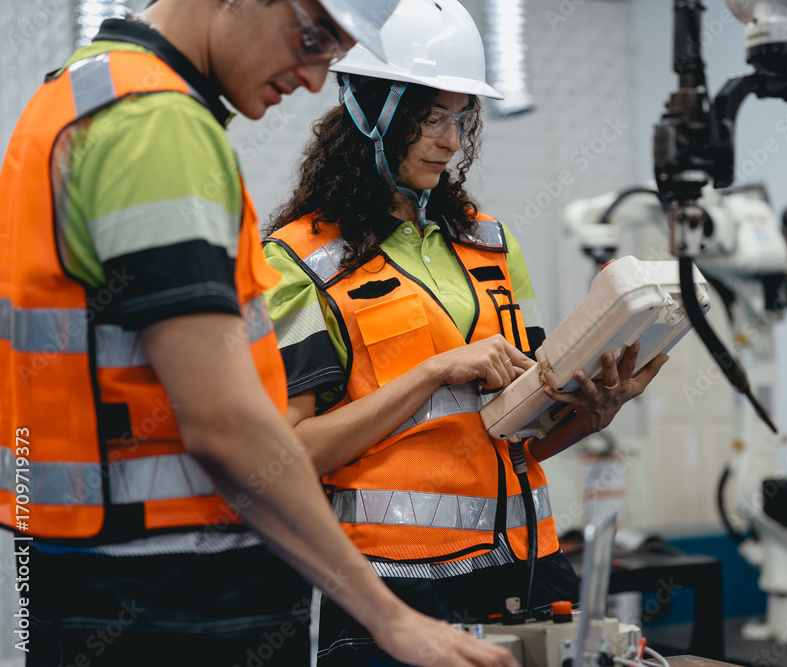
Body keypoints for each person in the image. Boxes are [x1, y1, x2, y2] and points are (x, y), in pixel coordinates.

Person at [0, 1, 518, 665]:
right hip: (175, 595)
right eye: (311, 35)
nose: (311, 77)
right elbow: (224, 422)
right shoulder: (157, 125)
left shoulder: (73, 94)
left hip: (90, 571)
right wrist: (391, 617)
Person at [263, 0, 669, 662]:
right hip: (393, 589)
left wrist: (591, 415)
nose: (450, 141)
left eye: (459, 117)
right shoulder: (299, 262)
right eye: (429, 116)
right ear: (372, 111)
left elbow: (518, 437)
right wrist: (434, 369)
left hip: (526, 571)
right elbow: (292, 455)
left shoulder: (490, 244)